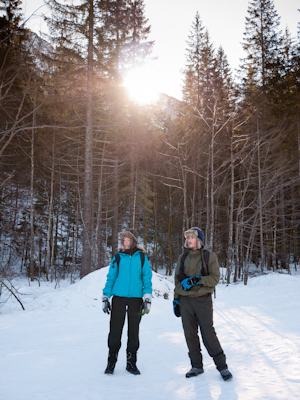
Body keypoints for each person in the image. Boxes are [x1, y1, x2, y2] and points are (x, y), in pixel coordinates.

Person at [173, 227, 232, 381]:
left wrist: (198, 280)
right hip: (185, 301)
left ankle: (222, 367)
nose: (189, 240)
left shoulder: (208, 256)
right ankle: (196, 366)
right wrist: (176, 299)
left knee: (208, 333)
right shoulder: (183, 257)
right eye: (187, 238)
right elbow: (177, 280)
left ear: (198, 240)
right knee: (190, 334)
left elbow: (215, 278)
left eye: (192, 238)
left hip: (202, 300)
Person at [102, 229, 152, 375]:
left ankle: (131, 363)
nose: (125, 242)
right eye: (124, 240)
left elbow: (146, 278)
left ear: (134, 241)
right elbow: (111, 277)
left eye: (128, 239)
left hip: (136, 300)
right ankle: (111, 362)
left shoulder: (142, 257)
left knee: (134, 332)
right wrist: (106, 296)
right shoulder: (118, 257)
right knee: (115, 331)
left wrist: (147, 296)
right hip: (118, 299)